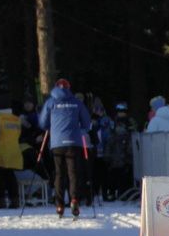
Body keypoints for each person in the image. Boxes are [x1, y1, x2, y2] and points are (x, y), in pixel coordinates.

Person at [38, 78, 92, 217]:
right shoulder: (76, 102)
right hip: (74, 142)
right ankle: (74, 199)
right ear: (69, 88)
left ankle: (60, 204)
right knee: (73, 173)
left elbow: (43, 123)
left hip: (57, 143)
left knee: (59, 173)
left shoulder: (51, 102)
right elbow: (87, 123)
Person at [0, 100, 24, 208]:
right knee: (10, 175)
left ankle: (1, 200)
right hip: (14, 149)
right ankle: (15, 200)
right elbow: (18, 134)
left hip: (0, 150)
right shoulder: (15, 118)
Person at [104, 103, 136, 200]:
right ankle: (112, 192)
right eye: (120, 112)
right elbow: (109, 138)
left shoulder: (130, 122)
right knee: (114, 174)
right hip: (115, 152)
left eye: (123, 112)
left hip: (124, 151)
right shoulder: (113, 122)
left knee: (124, 174)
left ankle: (123, 192)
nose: (121, 114)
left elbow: (133, 131)